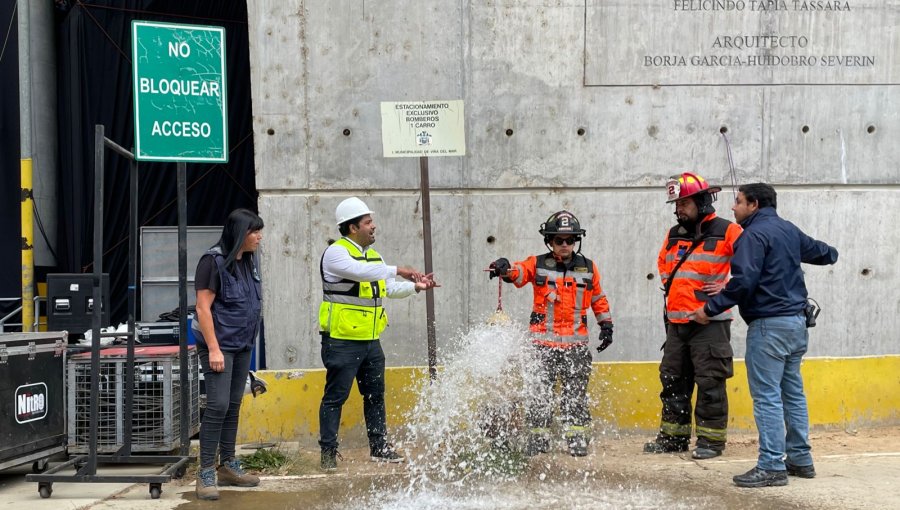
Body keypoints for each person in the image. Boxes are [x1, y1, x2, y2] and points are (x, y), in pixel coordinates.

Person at [693, 183, 838, 488]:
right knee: (793, 394)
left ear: (754, 204)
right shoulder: (788, 230)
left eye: (738, 201)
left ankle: (772, 465)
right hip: (796, 326)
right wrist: (832, 252)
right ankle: (800, 459)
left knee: (768, 397)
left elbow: (743, 281)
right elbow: (824, 253)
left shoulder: (752, 236)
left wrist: (710, 308)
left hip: (769, 327)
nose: (733, 208)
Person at [318, 197, 438, 471]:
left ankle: (379, 446)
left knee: (375, 395)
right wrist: (400, 269)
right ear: (352, 228)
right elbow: (360, 273)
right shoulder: (336, 253)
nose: (374, 227)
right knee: (335, 396)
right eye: (368, 222)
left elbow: (386, 288)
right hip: (342, 340)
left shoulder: (375, 257)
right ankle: (328, 453)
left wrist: (417, 287)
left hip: (371, 340)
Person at [489, 210, 613, 457]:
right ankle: (538, 439)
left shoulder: (588, 268)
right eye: (559, 240)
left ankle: (577, 439)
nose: (565, 245)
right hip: (542, 346)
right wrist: (504, 268)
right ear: (550, 241)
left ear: (576, 241)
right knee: (539, 394)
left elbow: (598, 297)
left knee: (575, 396)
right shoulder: (538, 264)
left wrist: (606, 325)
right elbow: (519, 273)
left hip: (576, 347)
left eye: (570, 240)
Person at [644, 172, 743, 460]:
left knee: (710, 382)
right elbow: (664, 263)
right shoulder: (674, 233)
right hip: (677, 323)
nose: (678, 209)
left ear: (701, 202)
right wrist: (673, 287)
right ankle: (673, 438)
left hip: (710, 323)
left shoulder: (728, 230)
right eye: (676, 204)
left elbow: (752, 264)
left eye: (684, 203)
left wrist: (727, 285)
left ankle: (711, 443)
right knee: (673, 380)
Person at [192, 208, 265, 500]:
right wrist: (213, 349)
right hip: (219, 346)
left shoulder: (247, 260)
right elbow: (202, 308)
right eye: (255, 231)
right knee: (218, 405)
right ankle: (205, 472)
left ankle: (228, 466)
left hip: (242, 343)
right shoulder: (213, 262)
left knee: (233, 404)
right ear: (240, 234)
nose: (259, 237)